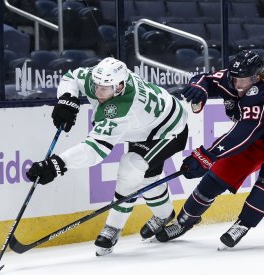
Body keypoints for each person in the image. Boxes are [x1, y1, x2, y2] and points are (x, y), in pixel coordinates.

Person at [26, 57, 189, 256]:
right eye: (96, 86)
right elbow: (72, 77)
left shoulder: (123, 107)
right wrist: (67, 100)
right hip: (146, 127)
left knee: (130, 169)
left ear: (120, 87)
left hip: (169, 131)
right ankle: (165, 216)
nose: (97, 92)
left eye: (104, 88)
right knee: (148, 177)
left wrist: (57, 164)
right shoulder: (102, 79)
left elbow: (95, 149)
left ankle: (112, 227)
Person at [155, 50, 264, 248]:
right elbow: (207, 78)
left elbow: (243, 132)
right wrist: (199, 88)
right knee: (214, 179)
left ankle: (244, 223)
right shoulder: (232, 78)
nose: (237, 85)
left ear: (257, 78)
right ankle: (184, 222)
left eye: (243, 80)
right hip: (257, 141)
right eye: (234, 78)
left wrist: (208, 154)